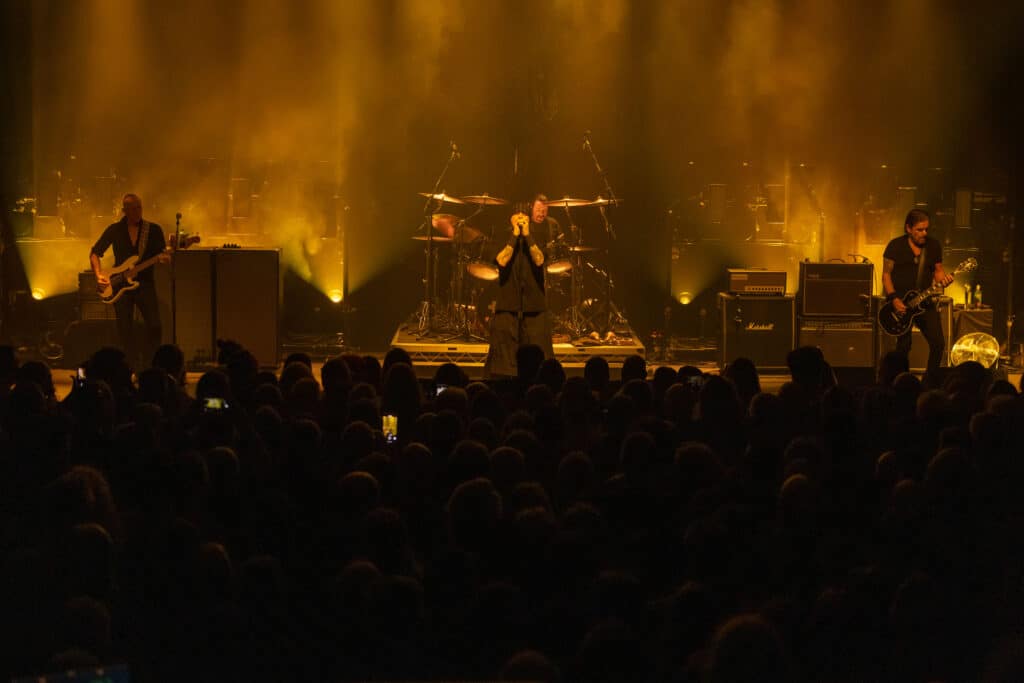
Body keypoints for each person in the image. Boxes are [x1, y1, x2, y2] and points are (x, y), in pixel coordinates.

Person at [90, 193, 169, 367]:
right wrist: (99, 275)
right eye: (132, 209)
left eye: (139, 207)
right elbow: (95, 253)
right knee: (124, 329)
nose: (137, 211)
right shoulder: (114, 230)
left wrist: (165, 259)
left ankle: (150, 364)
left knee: (155, 326)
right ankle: (129, 365)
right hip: (119, 285)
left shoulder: (153, 230)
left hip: (145, 284)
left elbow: (163, 254)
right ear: (124, 211)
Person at [484, 195, 555, 377]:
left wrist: (528, 236)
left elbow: (539, 260)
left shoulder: (541, 234)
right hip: (508, 303)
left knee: (540, 356)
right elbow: (501, 260)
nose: (522, 219)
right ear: (512, 218)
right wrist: (514, 235)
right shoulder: (502, 235)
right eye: (518, 216)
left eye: (524, 216)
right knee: (503, 360)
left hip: (534, 303)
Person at [882, 208, 954, 383]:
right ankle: (899, 382)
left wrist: (944, 280)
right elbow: (886, 275)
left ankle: (930, 380)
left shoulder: (933, 246)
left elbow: (938, 271)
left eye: (926, 229)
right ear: (908, 228)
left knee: (938, 343)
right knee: (903, 347)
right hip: (901, 304)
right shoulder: (895, 246)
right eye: (919, 230)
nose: (924, 233)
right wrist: (893, 299)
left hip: (924, 302)